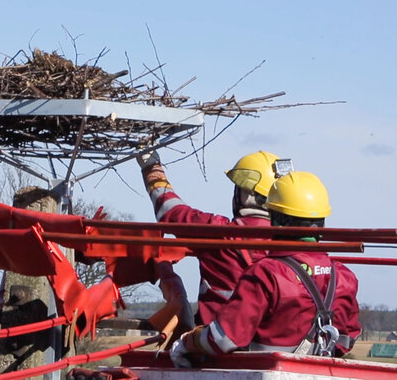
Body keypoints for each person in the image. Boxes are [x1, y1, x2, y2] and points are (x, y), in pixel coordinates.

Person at [169, 171, 361, 366]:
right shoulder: (344, 276)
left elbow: (223, 339)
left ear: (276, 219)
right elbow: (347, 339)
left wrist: (187, 342)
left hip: (260, 371)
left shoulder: (266, 274)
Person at [137, 150, 284, 324]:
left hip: (217, 344)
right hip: (277, 343)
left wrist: (151, 167)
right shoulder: (293, 244)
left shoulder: (221, 234)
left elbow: (171, 212)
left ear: (244, 195)